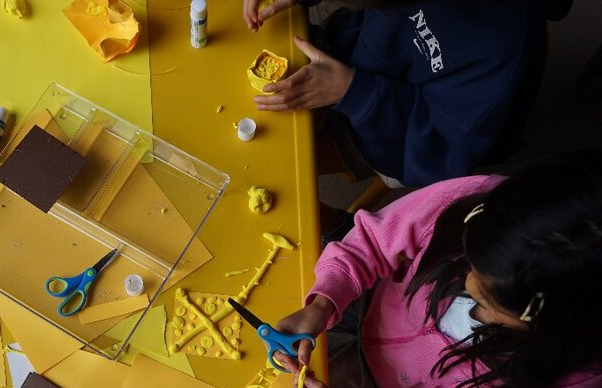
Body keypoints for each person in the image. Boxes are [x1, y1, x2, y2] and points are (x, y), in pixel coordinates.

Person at [273, 152, 602, 388]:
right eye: (470, 261)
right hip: (376, 298)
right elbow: (372, 241)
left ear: (551, 329)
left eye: (487, 300)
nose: (466, 285)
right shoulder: (491, 207)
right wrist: (323, 302)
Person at [242, 0, 573, 236]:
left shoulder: (502, 49)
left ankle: (337, 228)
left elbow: (441, 155)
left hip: (393, 138)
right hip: (352, 53)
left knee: (265, 172)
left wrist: (352, 92)